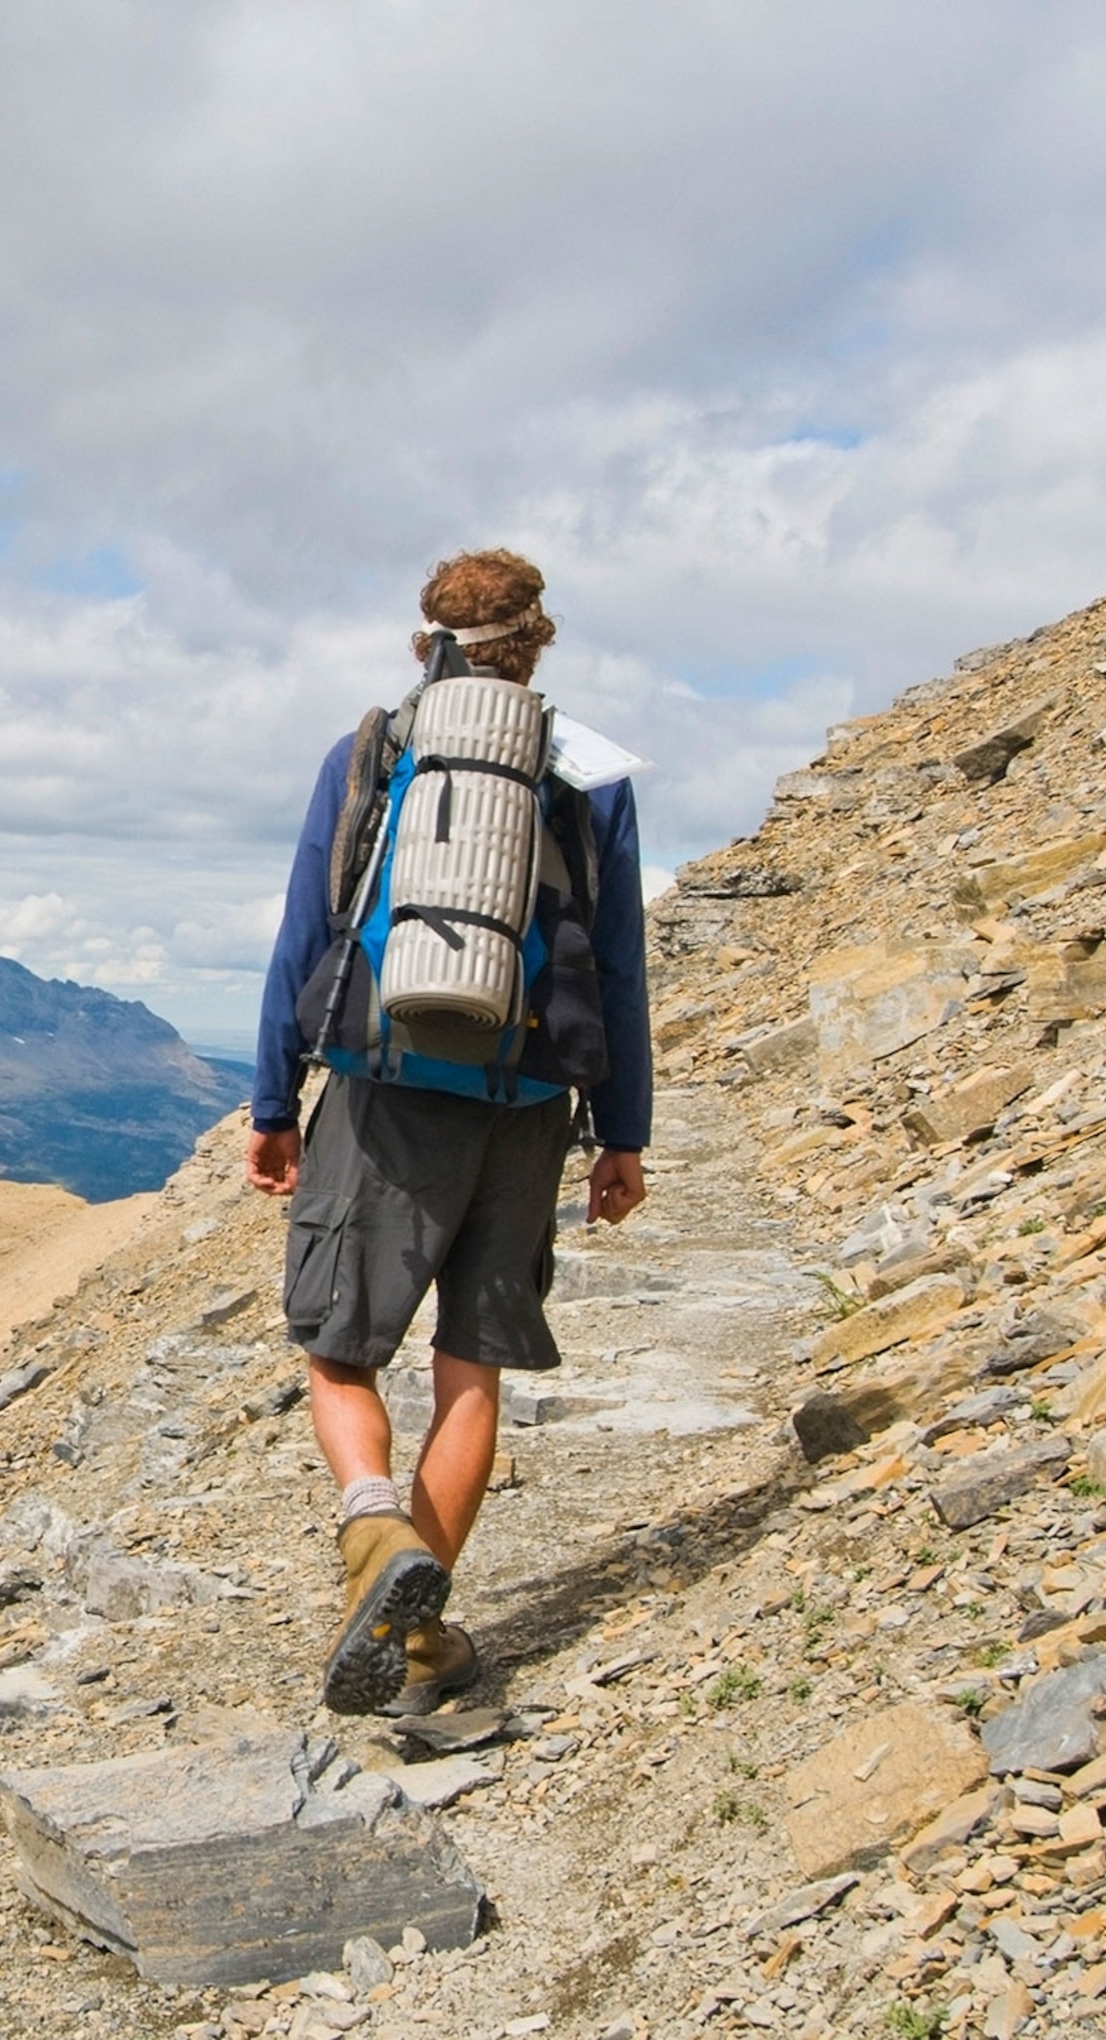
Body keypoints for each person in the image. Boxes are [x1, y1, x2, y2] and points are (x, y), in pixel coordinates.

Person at [246, 548, 652, 1716]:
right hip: (527, 1105)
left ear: (423, 641)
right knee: (468, 1367)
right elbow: (618, 969)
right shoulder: (590, 775)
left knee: (339, 1351)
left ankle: (375, 1528)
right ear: (539, 643)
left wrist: (276, 1105)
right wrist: (622, 1131)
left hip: (383, 1091)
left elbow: (304, 931)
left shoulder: (371, 751)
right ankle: (422, 1648)